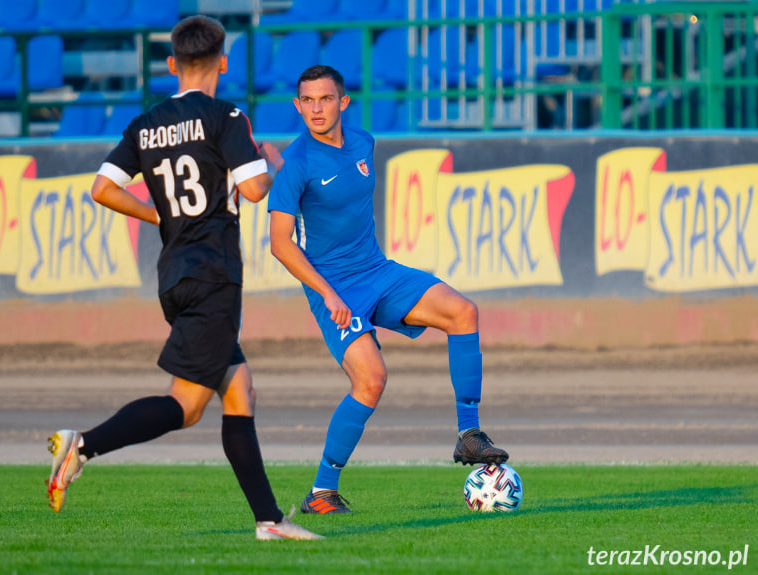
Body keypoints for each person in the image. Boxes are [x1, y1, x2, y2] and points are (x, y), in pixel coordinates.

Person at [46, 16, 321, 541]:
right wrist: (270, 158)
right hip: (215, 274)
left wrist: (158, 216)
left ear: (172, 64)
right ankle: (80, 445)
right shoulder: (226, 116)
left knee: (239, 390)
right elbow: (258, 190)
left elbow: (102, 189)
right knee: (186, 406)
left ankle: (269, 520)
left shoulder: (146, 123)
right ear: (223, 61)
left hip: (173, 275)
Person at [266, 65, 509, 515]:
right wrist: (329, 294)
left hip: (378, 271)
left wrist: (276, 163)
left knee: (464, 313)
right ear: (297, 105)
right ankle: (322, 493)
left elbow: (331, 193)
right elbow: (281, 245)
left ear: (343, 102)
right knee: (372, 380)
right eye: (307, 101)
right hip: (332, 288)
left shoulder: (364, 144)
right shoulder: (297, 164)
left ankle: (469, 436)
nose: (316, 109)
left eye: (325, 99)